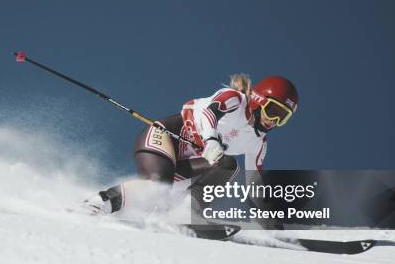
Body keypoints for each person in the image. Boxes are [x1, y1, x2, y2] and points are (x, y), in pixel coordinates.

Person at [84, 74, 299, 215]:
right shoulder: (235, 100)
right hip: (165, 136)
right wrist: (211, 140)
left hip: (187, 161)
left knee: (229, 166)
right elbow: (208, 113)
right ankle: (99, 202)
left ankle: (187, 212)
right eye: (273, 111)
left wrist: (273, 213)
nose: (275, 120)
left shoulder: (258, 143)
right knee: (158, 184)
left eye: (284, 117)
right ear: (259, 100)